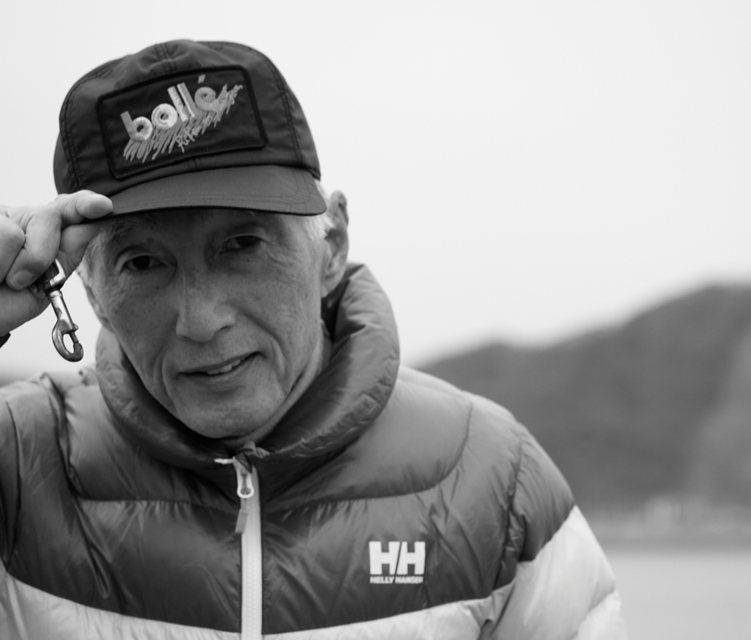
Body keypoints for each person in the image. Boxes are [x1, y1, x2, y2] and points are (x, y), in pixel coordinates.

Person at [0, 40, 626, 639]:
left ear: (333, 244)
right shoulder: (18, 465)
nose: (201, 320)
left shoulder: (494, 481)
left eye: (242, 244)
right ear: (90, 291)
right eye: (142, 263)